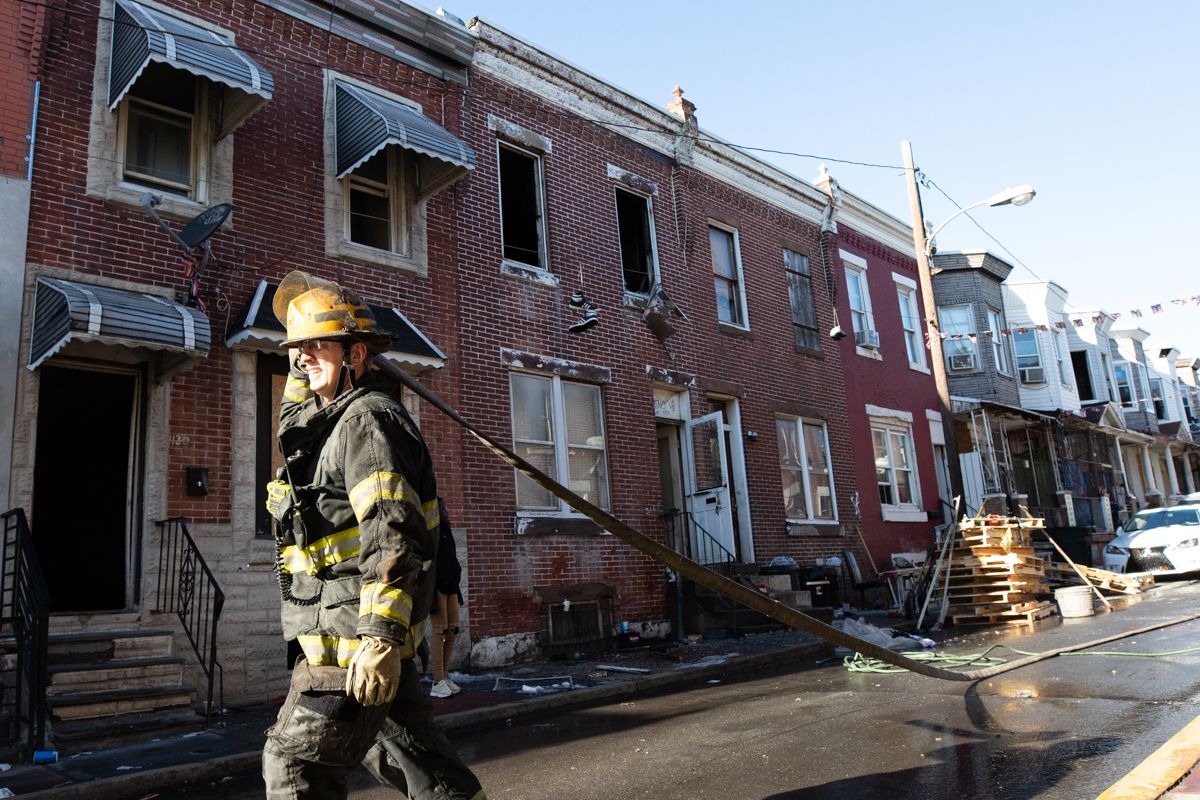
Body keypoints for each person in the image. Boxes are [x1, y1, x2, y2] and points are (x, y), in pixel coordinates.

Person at [262, 270, 485, 800]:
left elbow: (392, 534)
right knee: (420, 769)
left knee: (293, 767)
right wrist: (309, 317)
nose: (302, 356)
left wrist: (380, 639)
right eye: (297, 348)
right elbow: (293, 413)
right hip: (339, 639)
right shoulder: (323, 426)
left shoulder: (367, 422)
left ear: (356, 355)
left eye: (318, 345)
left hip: (353, 642)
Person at [429, 497, 464, 699]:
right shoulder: (431, 532)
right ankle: (437, 681)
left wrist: (456, 575)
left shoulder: (447, 530)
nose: (447, 510)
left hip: (452, 586)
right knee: (439, 631)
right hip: (437, 588)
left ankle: (445, 676)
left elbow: (451, 558)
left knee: (453, 630)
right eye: (444, 507)